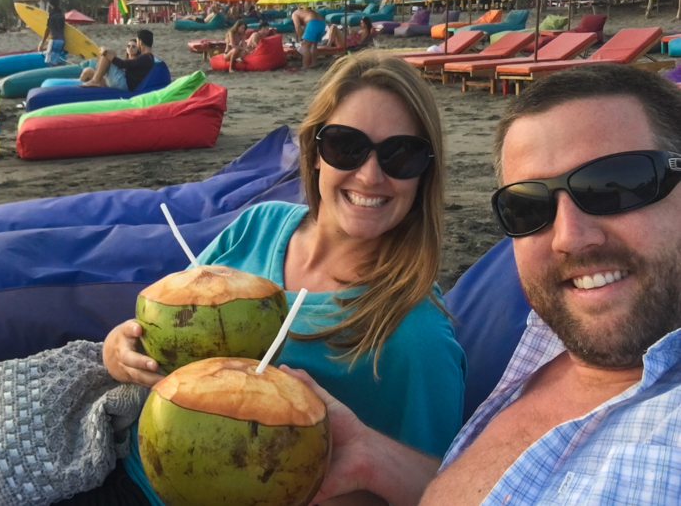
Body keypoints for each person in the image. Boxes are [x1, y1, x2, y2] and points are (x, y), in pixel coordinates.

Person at [0, 55, 464, 506]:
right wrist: (120, 344)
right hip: (101, 395)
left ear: (426, 171)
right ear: (315, 151)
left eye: (400, 154)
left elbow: (450, 488)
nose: (371, 175)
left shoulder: (411, 333)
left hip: (138, 482)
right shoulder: (263, 226)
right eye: (346, 147)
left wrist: (363, 453)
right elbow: (166, 328)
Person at [289, 64, 681, 506]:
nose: (570, 236)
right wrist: (370, 454)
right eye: (527, 206)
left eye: (617, 185)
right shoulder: (545, 348)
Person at [81, 29, 156, 92]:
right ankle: (95, 80)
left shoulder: (145, 57)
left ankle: (95, 81)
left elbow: (124, 64)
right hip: (124, 82)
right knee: (107, 55)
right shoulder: (149, 58)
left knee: (109, 53)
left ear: (141, 42)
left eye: (137, 41)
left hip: (123, 84)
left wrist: (106, 53)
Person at [38, 0, 67, 66]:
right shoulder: (62, 15)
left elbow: (48, 29)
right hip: (62, 40)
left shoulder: (52, 15)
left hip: (54, 40)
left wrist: (42, 42)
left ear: (50, 4)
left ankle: (54, 75)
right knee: (58, 60)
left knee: (51, 62)